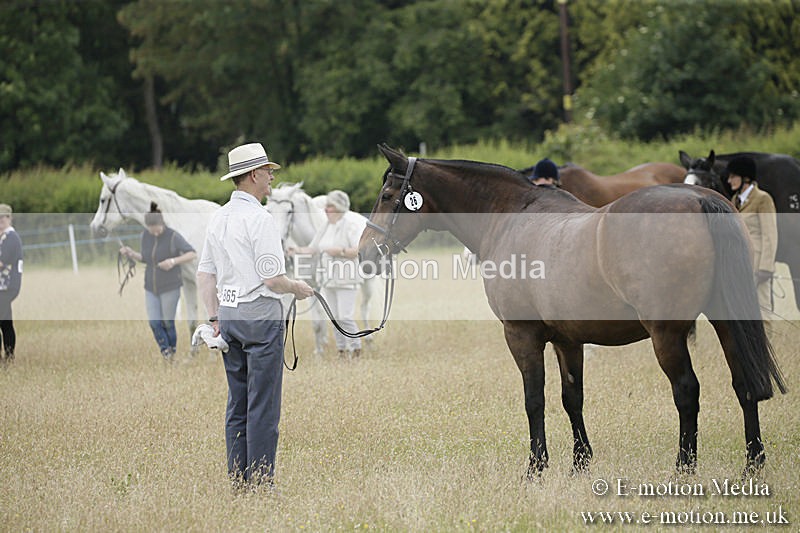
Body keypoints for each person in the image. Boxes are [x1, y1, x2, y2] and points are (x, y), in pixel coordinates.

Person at [197, 142, 314, 489]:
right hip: (260, 317)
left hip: (229, 317)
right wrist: (298, 287)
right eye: (267, 171)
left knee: (238, 404)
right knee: (263, 406)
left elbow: (205, 274)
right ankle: (262, 483)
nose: (272, 177)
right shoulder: (261, 219)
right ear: (252, 176)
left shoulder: (218, 218)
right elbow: (273, 280)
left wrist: (215, 319)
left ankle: (238, 480)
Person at [288, 190, 363, 359]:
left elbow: (358, 251)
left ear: (339, 207)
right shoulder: (325, 227)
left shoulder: (349, 225)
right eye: (327, 206)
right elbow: (313, 248)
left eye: (330, 206)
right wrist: (296, 250)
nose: (326, 209)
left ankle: (356, 348)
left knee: (345, 316)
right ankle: (342, 350)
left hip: (346, 279)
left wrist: (340, 251)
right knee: (335, 318)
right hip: (328, 280)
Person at [119, 202, 197, 360]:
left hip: (170, 286)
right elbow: (146, 258)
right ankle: (165, 352)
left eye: (157, 230)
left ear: (161, 223)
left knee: (167, 322)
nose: (155, 234)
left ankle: (172, 352)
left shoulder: (173, 236)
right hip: (150, 286)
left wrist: (173, 261)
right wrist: (132, 254)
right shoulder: (145, 236)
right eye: (151, 231)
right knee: (154, 323)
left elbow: (192, 253)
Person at [727, 155, 778, 313]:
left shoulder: (763, 199)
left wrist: (766, 267)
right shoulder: (734, 200)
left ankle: (767, 339)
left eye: (733, 176)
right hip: (738, 263)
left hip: (757, 264)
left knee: (762, 309)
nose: (729, 180)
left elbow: (770, 235)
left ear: (745, 178)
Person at [0, 204, 23, 364]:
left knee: (5, 323)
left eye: (3, 217)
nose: (0, 221)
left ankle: (8, 357)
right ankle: (8, 357)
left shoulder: (11, 238)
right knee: (5, 323)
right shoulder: (4, 237)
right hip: (3, 286)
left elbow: (2, 261)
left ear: (9, 218)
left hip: (7, 286)